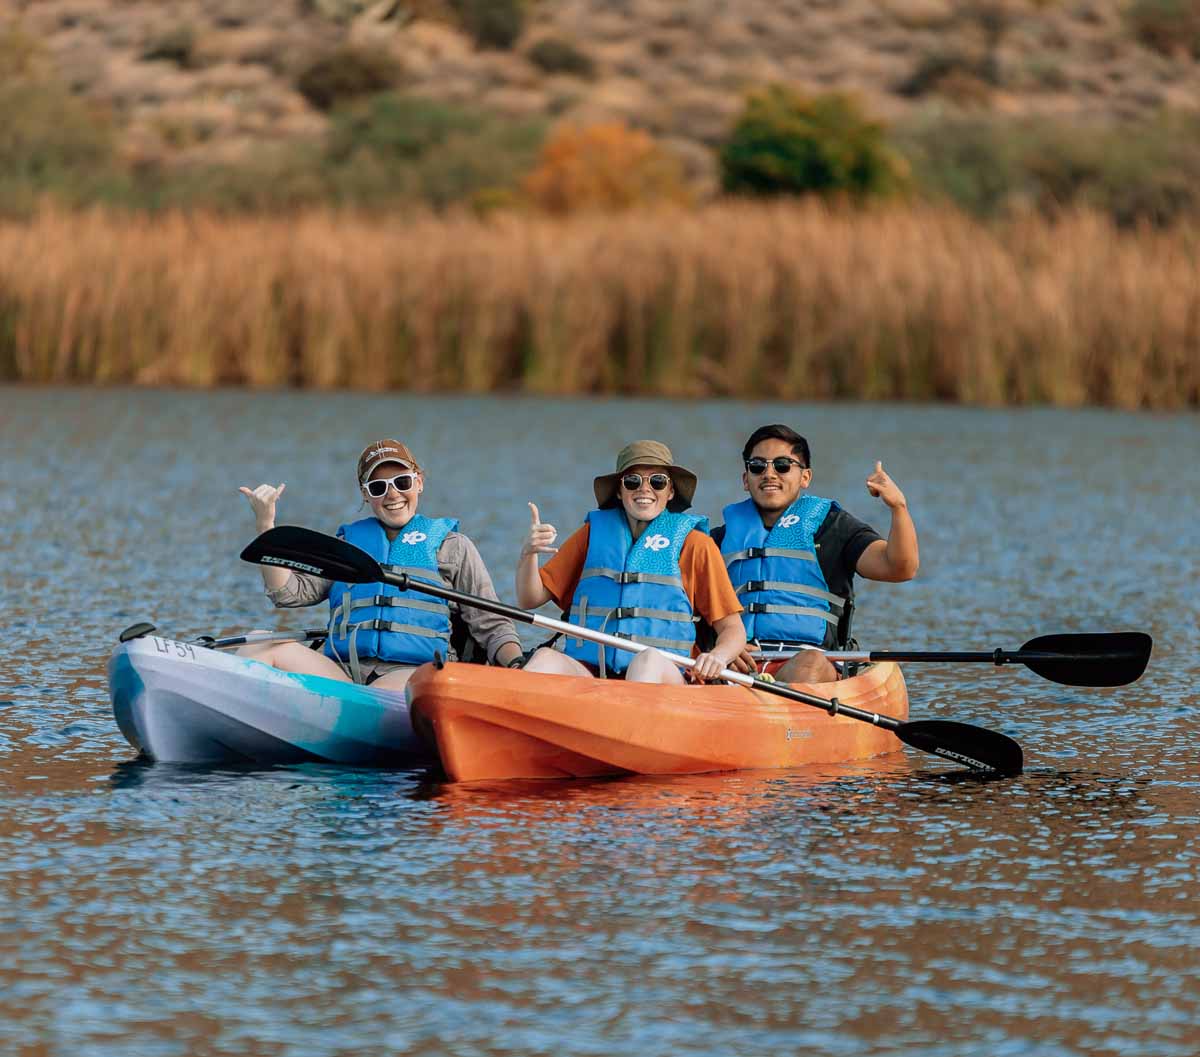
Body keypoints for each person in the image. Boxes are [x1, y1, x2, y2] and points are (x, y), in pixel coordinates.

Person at [238, 438, 523, 690]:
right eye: (378, 487)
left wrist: (518, 667)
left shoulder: (454, 547)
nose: (393, 494)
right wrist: (265, 524)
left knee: (393, 687)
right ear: (365, 494)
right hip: (342, 676)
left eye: (402, 482)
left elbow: (493, 625)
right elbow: (287, 593)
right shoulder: (348, 546)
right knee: (260, 642)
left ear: (419, 482)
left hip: (414, 678)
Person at [516, 440, 746, 684]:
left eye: (657, 481)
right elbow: (530, 598)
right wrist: (529, 554)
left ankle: (630, 707)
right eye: (632, 481)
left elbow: (733, 630)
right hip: (593, 673)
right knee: (544, 658)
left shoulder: (696, 545)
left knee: (647, 661)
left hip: (666, 675)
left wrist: (718, 657)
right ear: (619, 490)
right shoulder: (592, 535)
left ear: (670, 491)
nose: (644, 489)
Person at [710, 424, 919, 685]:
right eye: (757, 466)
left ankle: (778, 705)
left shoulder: (832, 527)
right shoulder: (718, 540)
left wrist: (898, 507)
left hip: (810, 661)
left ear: (805, 477)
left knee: (810, 663)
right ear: (745, 479)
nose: (769, 474)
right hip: (738, 662)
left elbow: (899, 567)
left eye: (782, 465)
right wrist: (725, 647)